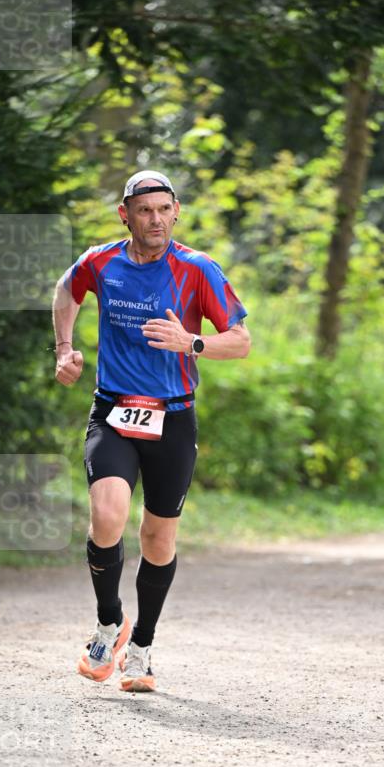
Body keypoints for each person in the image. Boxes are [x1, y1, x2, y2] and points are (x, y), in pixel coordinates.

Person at [53, 170, 250, 692]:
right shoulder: (101, 261)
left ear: (176, 211)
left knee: (158, 538)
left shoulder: (197, 269)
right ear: (126, 215)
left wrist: (192, 342)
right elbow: (66, 289)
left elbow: (241, 339)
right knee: (106, 515)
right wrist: (64, 348)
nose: (155, 219)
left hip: (173, 416)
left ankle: (140, 647)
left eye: (164, 209)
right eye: (145, 210)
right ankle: (107, 624)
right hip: (113, 410)